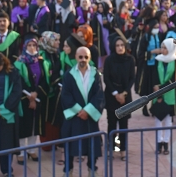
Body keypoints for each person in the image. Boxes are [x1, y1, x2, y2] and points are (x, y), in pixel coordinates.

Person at [61, 46, 105, 177]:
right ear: (75, 57)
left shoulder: (95, 74)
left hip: (89, 117)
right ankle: (68, 170)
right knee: (70, 144)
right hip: (75, 116)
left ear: (90, 58)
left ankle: (92, 169)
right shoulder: (69, 74)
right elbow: (65, 95)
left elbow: (99, 95)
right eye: (80, 57)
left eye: (86, 57)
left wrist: (88, 111)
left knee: (92, 145)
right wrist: (79, 110)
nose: (83, 59)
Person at [14, 36, 51, 165]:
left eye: (34, 45)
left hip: (38, 97)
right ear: (25, 47)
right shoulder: (19, 63)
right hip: (24, 98)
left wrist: (36, 93)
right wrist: (30, 97)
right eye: (29, 45)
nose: (32, 48)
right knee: (24, 125)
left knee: (35, 125)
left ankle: (31, 150)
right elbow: (19, 82)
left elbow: (45, 81)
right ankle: (20, 152)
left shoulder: (42, 61)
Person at [103, 37, 135, 160]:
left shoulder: (130, 59)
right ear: (113, 47)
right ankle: (111, 149)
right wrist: (116, 94)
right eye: (117, 45)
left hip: (125, 96)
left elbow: (132, 78)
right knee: (112, 124)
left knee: (123, 125)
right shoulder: (109, 60)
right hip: (112, 96)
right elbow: (106, 78)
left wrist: (124, 93)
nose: (120, 47)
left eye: (122, 45)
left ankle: (123, 150)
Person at [150, 38, 176, 155]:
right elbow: (154, 76)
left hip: (170, 94)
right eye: (162, 47)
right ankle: (158, 143)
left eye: (165, 47)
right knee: (158, 120)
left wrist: (162, 87)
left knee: (168, 121)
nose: (163, 50)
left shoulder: (175, 61)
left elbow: (175, 78)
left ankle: (166, 143)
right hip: (158, 94)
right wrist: (157, 89)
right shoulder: (157, 60)